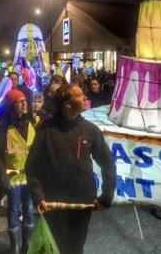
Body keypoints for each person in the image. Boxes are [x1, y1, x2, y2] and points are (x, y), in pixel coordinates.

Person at [25, 83, 116, 254]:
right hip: (52, 202)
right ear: (67, 103)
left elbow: (108, 163)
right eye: (80, 95)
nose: (85, 98)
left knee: (75, 247)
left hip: (82, 203)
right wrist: (38, 196)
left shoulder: (90, 130)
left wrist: (106, 196)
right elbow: (32, 166)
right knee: (55, 247)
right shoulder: (46, 129)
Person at [0, 89, 37, 254]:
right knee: (13, 209)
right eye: (19, 101)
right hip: (12, 177)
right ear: (12, 106)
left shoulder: (33, 122)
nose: (24, 103)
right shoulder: (3, 128)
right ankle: (14, 247)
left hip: (30, 175)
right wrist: (1, 176)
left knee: (29, 208)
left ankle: (26, 244)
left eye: (25, 100)